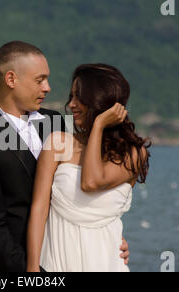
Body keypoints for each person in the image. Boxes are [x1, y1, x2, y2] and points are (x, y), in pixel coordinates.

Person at [0, 42, 130, 272]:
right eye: (40, 80)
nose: (48, 87)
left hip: (76, 257)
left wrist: (107, 236)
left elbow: (86, 182)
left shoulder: (59, 122)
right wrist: (35, 271)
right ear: (11, 79)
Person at [27, 64, 151, 272]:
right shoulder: (57, 143)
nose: (72, 104)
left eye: (80, 97)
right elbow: (39, 210)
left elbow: (91, 182)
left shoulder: (134, 154)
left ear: (101, 100)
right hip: (55, 265)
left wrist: (99, 125)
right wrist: (32, 270)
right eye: (71, 96)